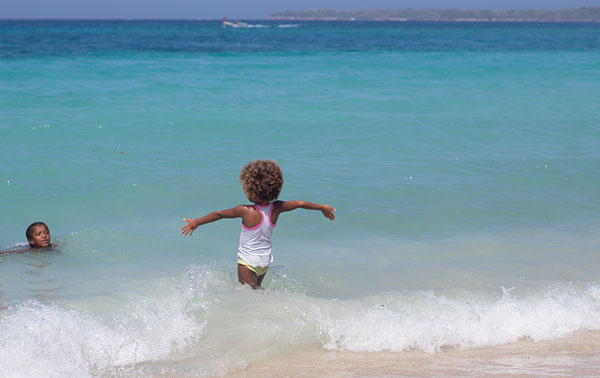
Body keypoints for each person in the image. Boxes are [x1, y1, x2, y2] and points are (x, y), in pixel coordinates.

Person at [180, 159, 335, 289]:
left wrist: (196, 222)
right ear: (276, 187)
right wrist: (322, 207)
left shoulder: (245, 210)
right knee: (257, 293)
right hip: (265, 262)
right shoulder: (277, 208)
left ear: (249, 187)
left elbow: (218, 214)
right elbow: (300, 203)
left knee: (248, 299)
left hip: (247, 263)